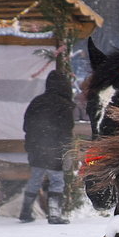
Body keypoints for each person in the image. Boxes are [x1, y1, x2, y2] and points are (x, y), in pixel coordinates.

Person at [21, 69, 74, 224]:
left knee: (35, 178)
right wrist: (66, 150)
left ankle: (25, 212)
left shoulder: (37, 101)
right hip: (55, 148)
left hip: (36, 147)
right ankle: (54, 214)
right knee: (57, 180)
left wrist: (33, 142)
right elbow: (66, 130)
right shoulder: (64, 105)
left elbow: (26, 125)